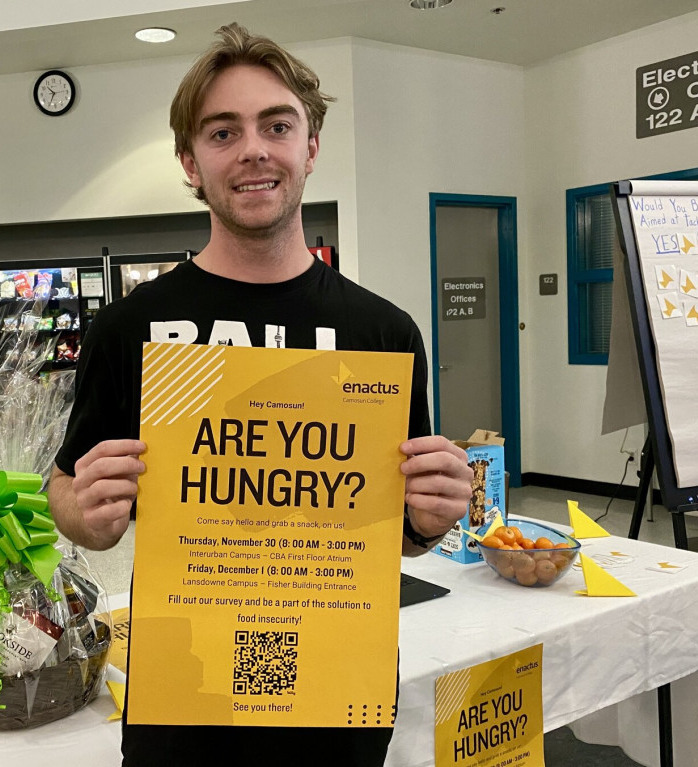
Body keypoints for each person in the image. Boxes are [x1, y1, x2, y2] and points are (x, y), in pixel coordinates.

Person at [49, 22, 473, 766]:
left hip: (337, 687)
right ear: (189, 162)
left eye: (277, 125)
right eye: (222, 132)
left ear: (310, 147)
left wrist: (431, 517)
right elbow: (69, 486)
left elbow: (394, 531)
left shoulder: (383, 331)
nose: (253, 149)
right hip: (187, 694)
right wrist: (82, 512)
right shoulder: (130, 328)